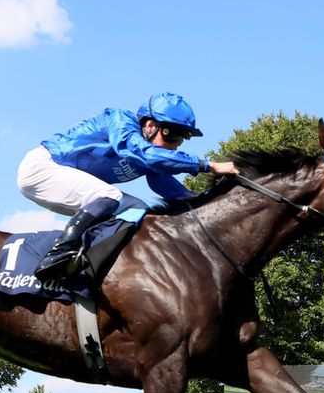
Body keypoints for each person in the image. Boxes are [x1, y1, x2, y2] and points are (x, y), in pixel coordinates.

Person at [16, 92, 238, 280]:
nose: (175, 145)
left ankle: (90, 267)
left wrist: (214, 201)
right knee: (110, 195)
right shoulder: (121, 121)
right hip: (42, 168)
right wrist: (208, 165)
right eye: (172, 135)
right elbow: (142, 154)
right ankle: (57, 255)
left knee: (137, 209)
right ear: (150, 125)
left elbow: (176, 194)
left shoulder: (151, 156)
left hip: (68, 184)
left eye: (182, 138)